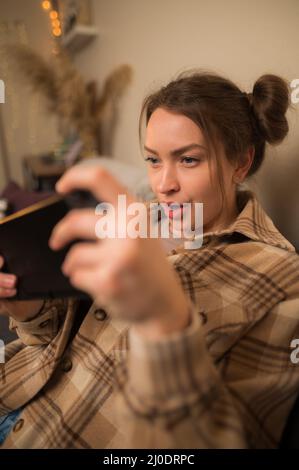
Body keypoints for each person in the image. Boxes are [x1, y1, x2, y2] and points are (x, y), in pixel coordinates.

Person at [1, 71, 299, 449]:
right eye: (153, 160)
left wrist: (164, 321)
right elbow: (49, 338)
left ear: (240, 163)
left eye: (188, 160)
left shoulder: (284, 279)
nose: (163, 185)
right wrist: (25, 307)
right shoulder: (137, 217)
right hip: (19, 399)